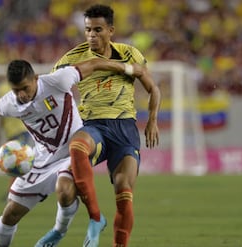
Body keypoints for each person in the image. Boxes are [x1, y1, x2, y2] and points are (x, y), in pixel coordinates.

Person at [0, 57, 145, 247]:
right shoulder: (10, 103)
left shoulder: (58, 81)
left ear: (35, 79)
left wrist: (128, 68)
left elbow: (94, 64)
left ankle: (58, 232)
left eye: (25, 88)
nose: (21, 94)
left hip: (72, 152)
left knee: (64, 189)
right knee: (10, 213)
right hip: (41, 159)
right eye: (16, 90)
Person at [39, 4, 161, 247]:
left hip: (125, 130)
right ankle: (95, 218)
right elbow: (48, 96)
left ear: (111, 30)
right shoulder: (71, 59)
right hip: (93, 126)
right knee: (77, 148)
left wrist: (153, 121)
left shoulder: (130, 54)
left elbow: (153, 88)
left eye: (97, 30)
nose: (91, 35)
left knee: (124, 190)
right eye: (87, 30)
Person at [0, 80, 34, 199]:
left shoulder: (23, 86)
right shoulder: (2, 89)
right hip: (10, 130)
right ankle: (18, 190)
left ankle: (12, 192)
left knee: (17, 161)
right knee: (15, 161)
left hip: (21, 128)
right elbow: (0, 111)